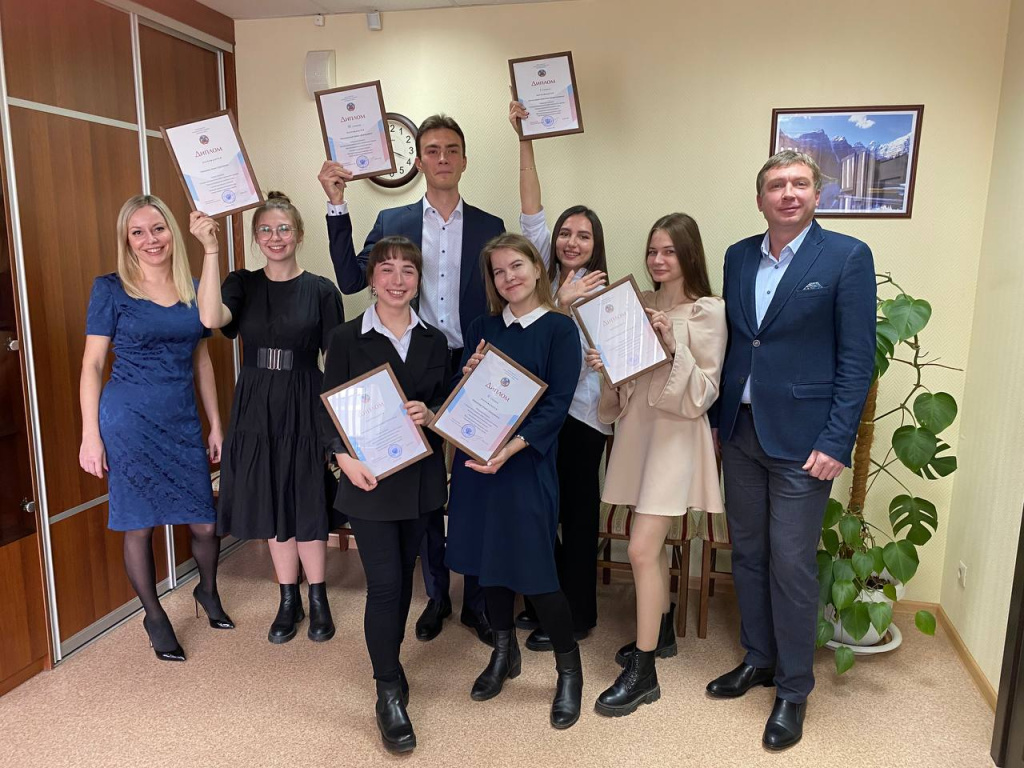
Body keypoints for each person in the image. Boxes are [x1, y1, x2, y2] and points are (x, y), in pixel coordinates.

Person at [706, 150, 876, 750]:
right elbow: (737, 342)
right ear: (760, 199)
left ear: (816, 195)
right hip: (741, 432)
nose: (788, 193)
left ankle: (794, 689)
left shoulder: (846, 257)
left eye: (799, 183)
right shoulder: (737, 256)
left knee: (792, 563)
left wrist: (837, 440)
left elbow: (857, 360)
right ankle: (759, 658)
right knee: (748, 555)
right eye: (776, 185)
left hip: (806, 442)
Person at [319, 114, 504, 645]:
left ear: (464, 159)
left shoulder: (490, 226)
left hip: (470, 365)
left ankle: (476, 601)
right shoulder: (393, 218)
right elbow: (351, 279)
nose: (443, 158)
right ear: (418, 161)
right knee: (418, 486)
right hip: (407, 363)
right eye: (433, 150)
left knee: (474, 485)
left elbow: (505, 292)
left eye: (452, 149)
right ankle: (436, 596)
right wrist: (337, 205)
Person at [585, 213, 726, 716]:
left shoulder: (708, 311)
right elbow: (625, 387)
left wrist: (671, 346)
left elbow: (705, 391)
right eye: (652, 251)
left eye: (669, 251)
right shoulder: (636, 302)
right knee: (652, 547)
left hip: (675, 440)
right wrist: (607, 370)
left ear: (689, 254)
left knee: (642, 548)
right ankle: (660, 631)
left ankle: (644, 673)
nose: (658, 260)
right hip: (638, 432)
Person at [79, 194, 229, 662]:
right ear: (126, 240)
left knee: (205, 521)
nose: (150, 239)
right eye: (138, 232)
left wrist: (215, 423)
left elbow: (202, 360)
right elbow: (92, 364)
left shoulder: (194, 287)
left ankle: (207, 590)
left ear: (172, 232)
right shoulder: (110, 289)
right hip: (128, 420)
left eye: (158, 228)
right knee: (139, 524)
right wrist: (90, 434)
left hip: (180, 418)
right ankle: (154, 615)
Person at [191, 192, 345, 645]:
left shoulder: (322, 290)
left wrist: (339, 429)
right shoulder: (242, 283)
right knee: (273, 497)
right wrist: (210, 249)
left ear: (298, 234)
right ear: (256, 238)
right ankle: (287, 599)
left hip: (305, 397)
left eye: (283, 229)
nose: (275, 237)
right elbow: (210, 316)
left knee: (306, 497)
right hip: (256, 401)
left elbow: (336, 362)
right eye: (265, 230)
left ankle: (318, 597)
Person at [445, 233, 584, 729]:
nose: (509, 277)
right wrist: (467, 375)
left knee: (537, 574)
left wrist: (511, 448)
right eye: (499, 271)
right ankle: (504, 654)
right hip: (477, 465)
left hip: (525, 466)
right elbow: (464, 400)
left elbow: (556, 406)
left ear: (537, 268)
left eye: (517, 266)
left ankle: (570, 672)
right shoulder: (482, 328)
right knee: (488, 566)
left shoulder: (559, 330)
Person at [319, 236, 452, 754]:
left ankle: (389, 665)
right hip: (368, 482)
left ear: (419, 280)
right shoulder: (345, 338)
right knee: (387, 585)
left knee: (402, 580)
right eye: (387, 270)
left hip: (418, 483)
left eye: (408, 271)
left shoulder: (435, 341)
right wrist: (342, 459)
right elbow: (327, 408)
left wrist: (431, 414)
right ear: (371, 279)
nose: (398, 280)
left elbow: (445, 407)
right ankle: (388, 691)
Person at [506, 101, 607, 651]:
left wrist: (569, 309)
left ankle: (577, 615)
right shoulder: (539, 278)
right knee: (540, 515)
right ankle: (546, 605)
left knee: (577, 517)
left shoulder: (605, 291)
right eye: (565, 233)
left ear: (595, 245)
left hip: (584, 419)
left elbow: (604, 361)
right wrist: (525, 139)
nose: (571, 241)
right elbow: (531, 208)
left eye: (583, 236)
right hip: (538, 416)